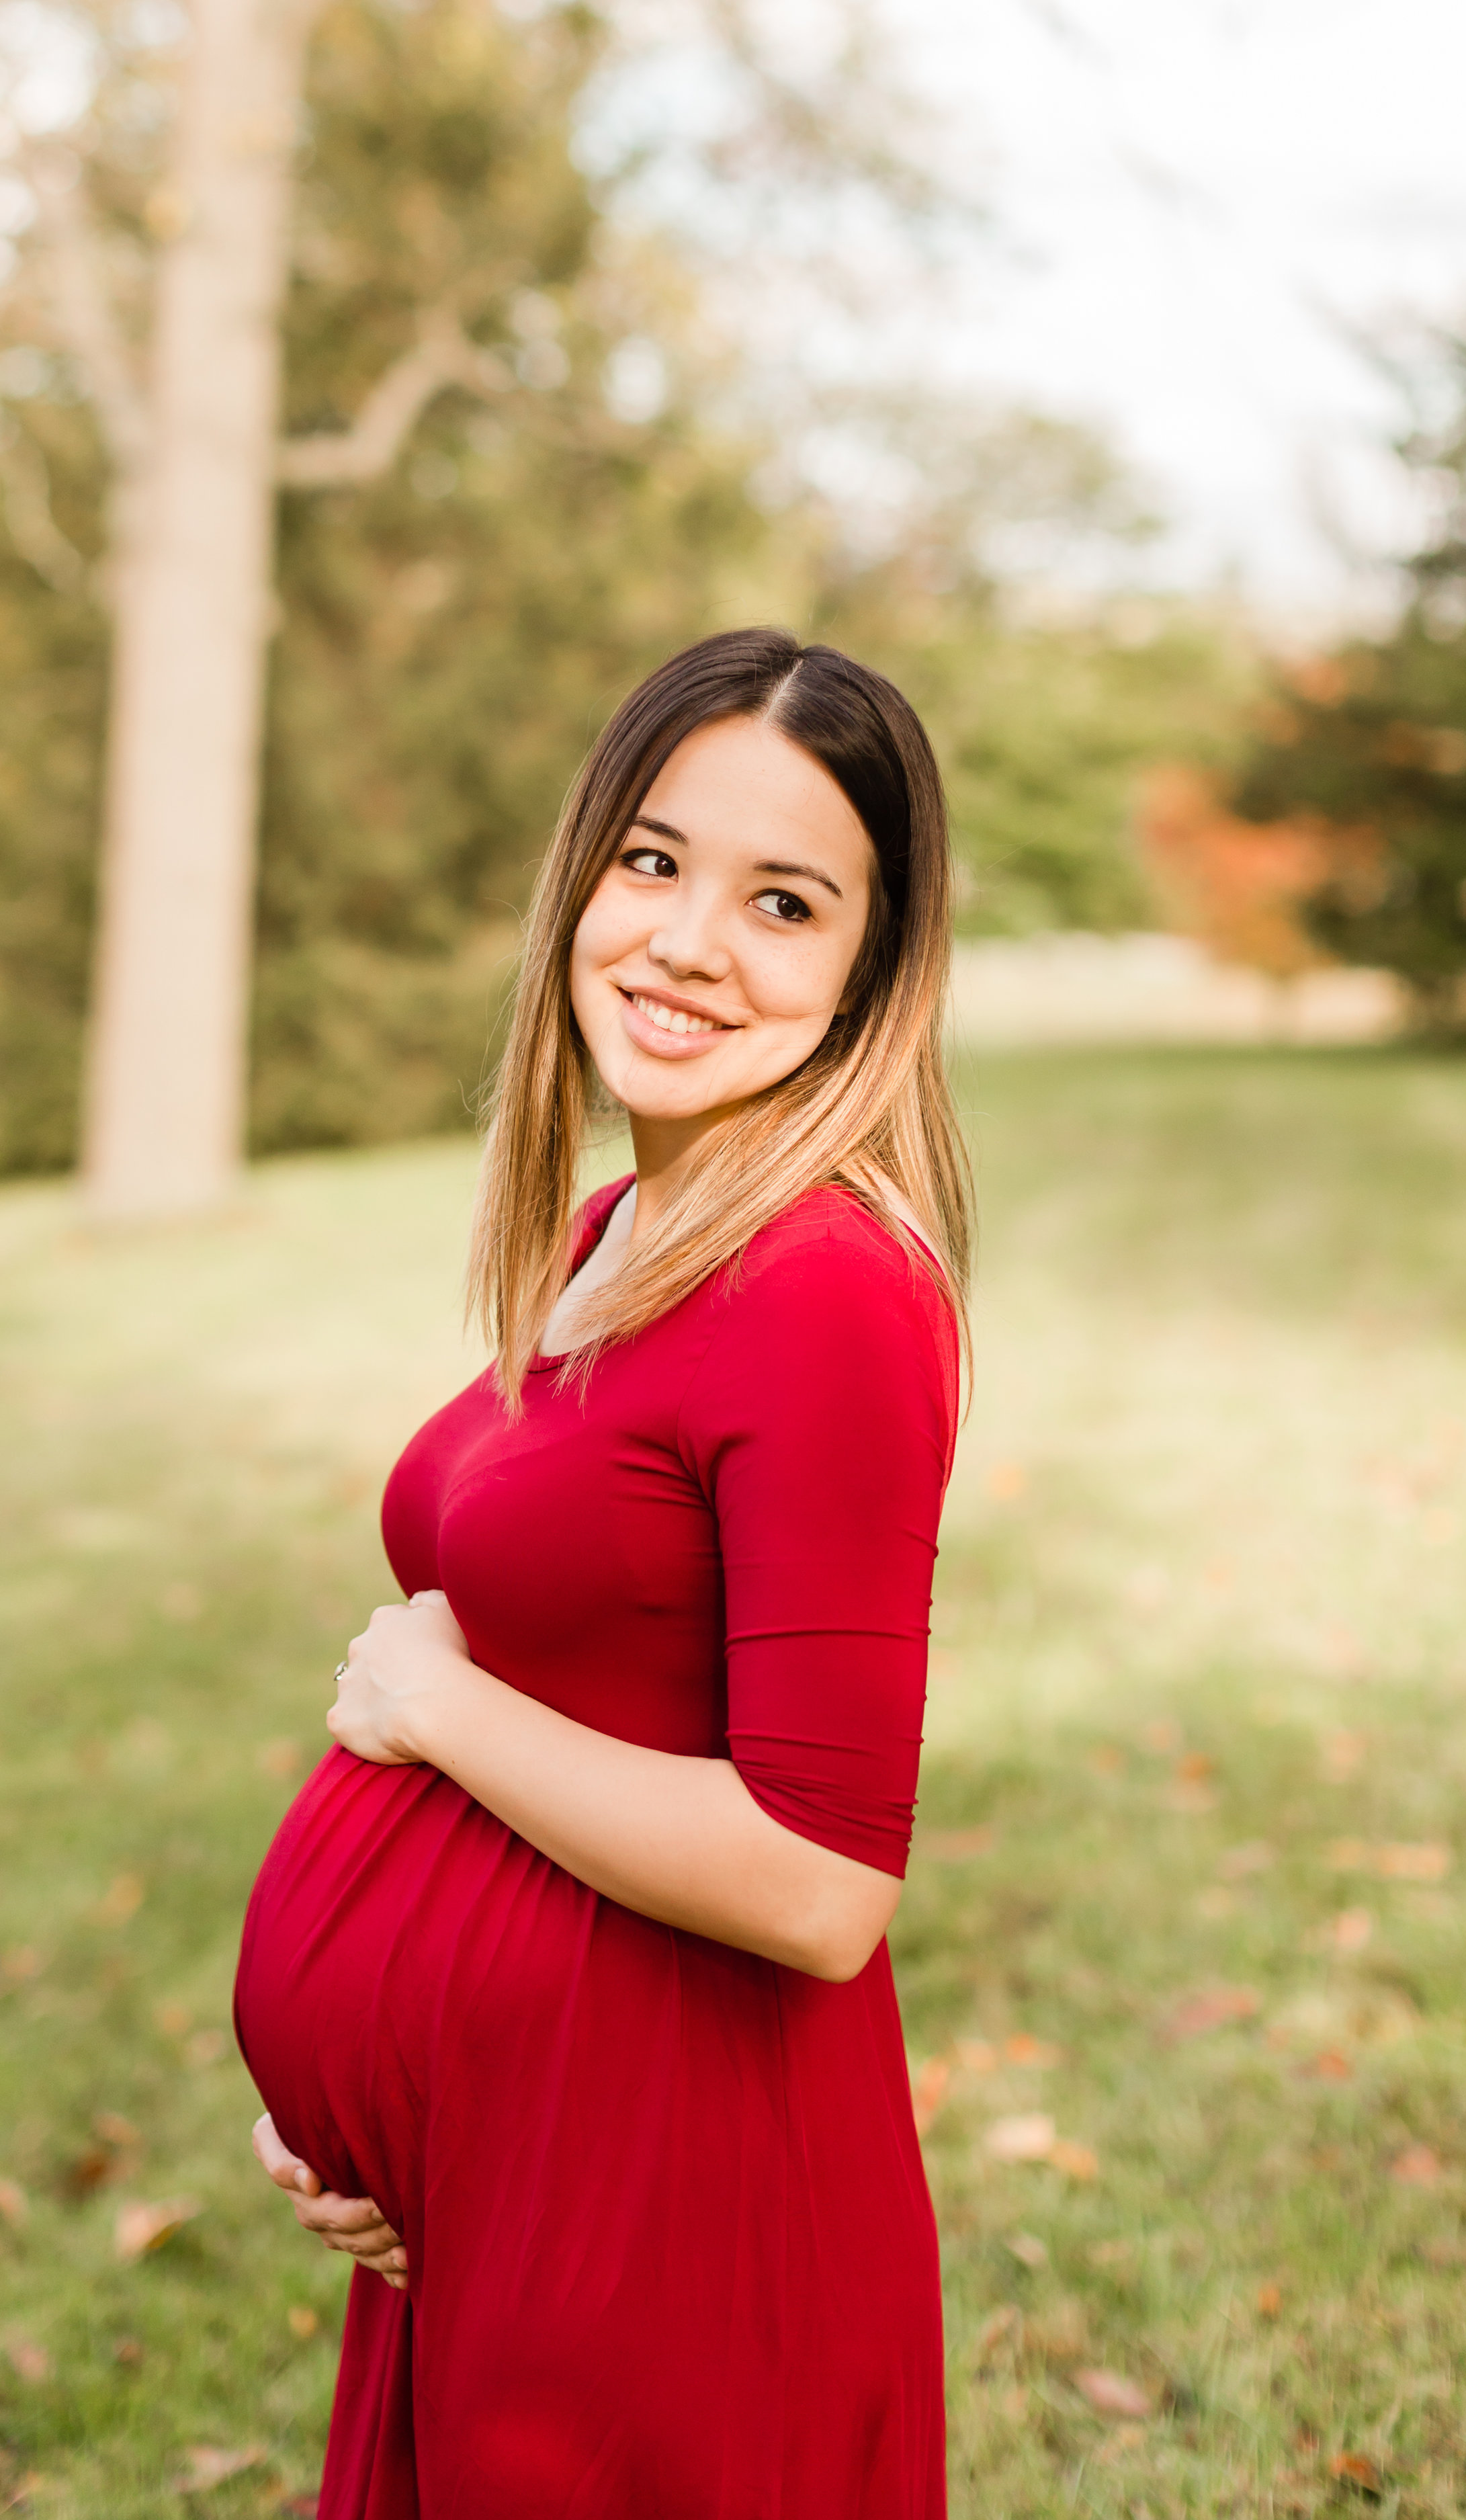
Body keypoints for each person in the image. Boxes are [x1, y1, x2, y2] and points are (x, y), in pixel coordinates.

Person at [234, 626, 973, 2520]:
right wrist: (366, 2101)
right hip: (517, 2182)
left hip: (673, 2219)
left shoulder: (825, 1290)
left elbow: (821, 1883)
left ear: (869, 972)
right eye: (652, 860)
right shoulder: (628, 1222)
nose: (685, 941)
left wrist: (433, 1701)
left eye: (783, 901)